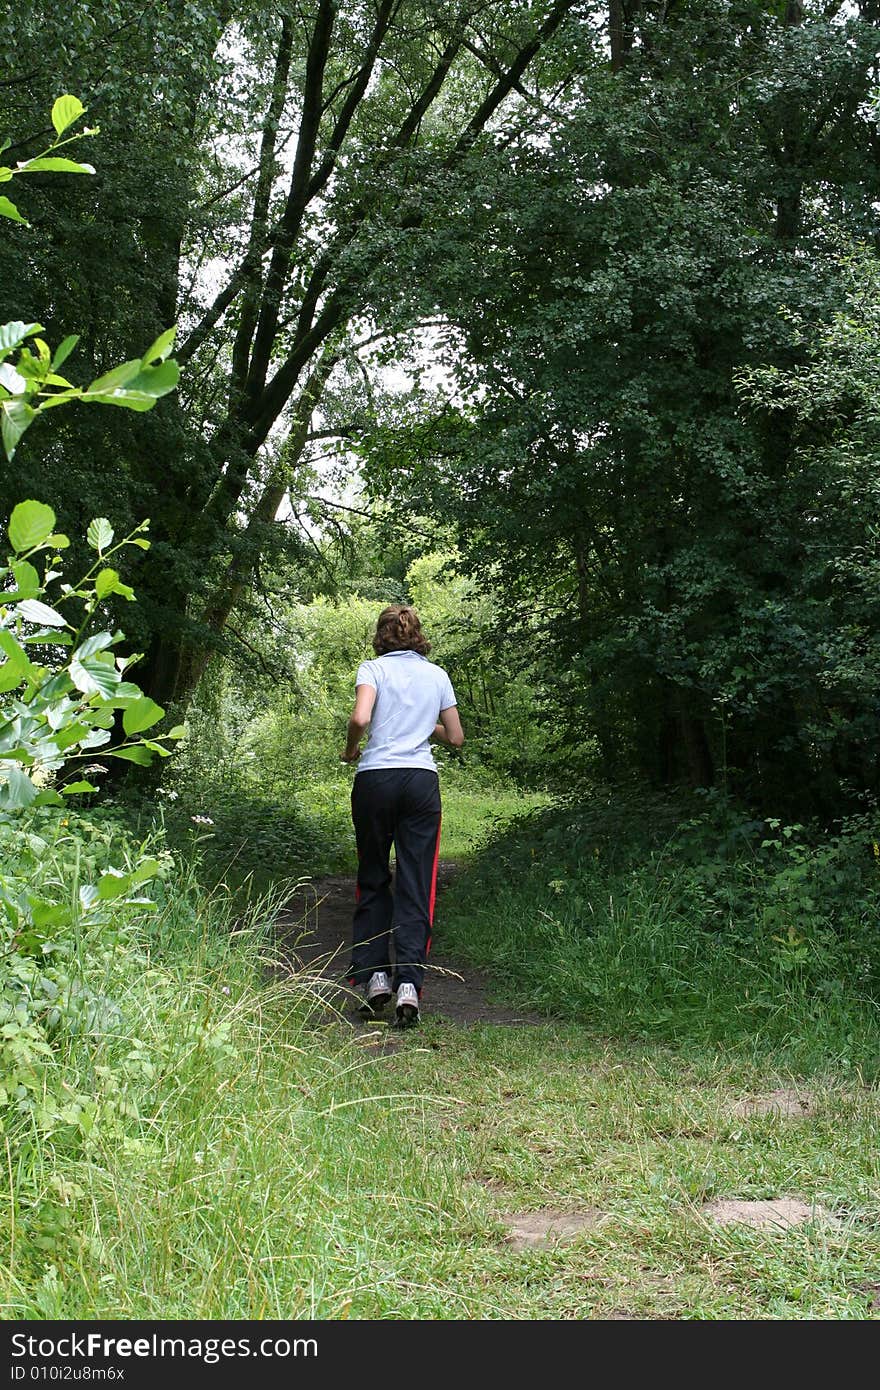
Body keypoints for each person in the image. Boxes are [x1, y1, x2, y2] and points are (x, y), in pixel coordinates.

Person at [340, 604, 464, 1026]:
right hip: (419, 783)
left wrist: (352, 747)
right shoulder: (437, 675)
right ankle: (409, 984)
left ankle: (376, 977)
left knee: (373, 875)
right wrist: (424, 723)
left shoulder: (372, 669)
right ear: (417, 636)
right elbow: (457, 737)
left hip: (376, 780)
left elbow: (361, 716)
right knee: (416, 880)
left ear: (381, 635)